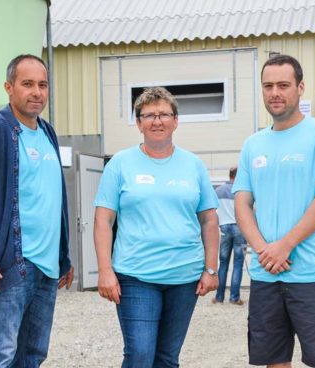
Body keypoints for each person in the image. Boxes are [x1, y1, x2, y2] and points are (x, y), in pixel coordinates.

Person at [0, 54, 74, 367]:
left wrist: (63, 257)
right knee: (0, 356)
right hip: (11, 266)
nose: (37, 92)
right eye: (28, 84)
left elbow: (51, 200)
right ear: (9, 87)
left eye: (43, 85)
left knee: (32, 356)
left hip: (47, 270)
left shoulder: (47, 133)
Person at [233, 54, 315, 368]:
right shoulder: (253, 144)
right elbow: (242, 203)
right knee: (274, 361)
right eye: (268, 86)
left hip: (313, 273)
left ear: (300, 88)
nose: (275, 92)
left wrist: (284, 246)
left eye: (283, 85)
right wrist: (263, 250)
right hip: (266, 274)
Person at [93, 86, 219, 368]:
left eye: (164, 114)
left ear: (176, 120)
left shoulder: (193, 165)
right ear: (138, 123)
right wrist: (105, 270)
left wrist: (211, 269)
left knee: (166, 358)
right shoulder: (120, 165)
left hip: (184, 277)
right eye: (149, 115)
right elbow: (104, 219)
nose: (157, 121)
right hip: (136, 276)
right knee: (139, 355)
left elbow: (209, 220)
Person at [212, 166, 246, 305]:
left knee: (223, 263)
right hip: (239, 228)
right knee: (238, 264)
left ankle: (219, 297)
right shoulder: (241, 192)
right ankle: (234, 297)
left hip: (224, 228)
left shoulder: (218, 190)